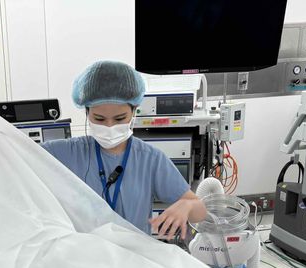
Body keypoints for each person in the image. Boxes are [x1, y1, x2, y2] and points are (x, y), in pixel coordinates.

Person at [41, 60, 207, 237]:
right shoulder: (69, 153)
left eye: (120, 119)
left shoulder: (150, 159)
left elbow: (201, 212)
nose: (110, 126)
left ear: (134, 111)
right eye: (99, 119)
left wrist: (187, 206)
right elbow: (22, 153)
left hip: (133, 251)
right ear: (87, 112)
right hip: (88, 251)